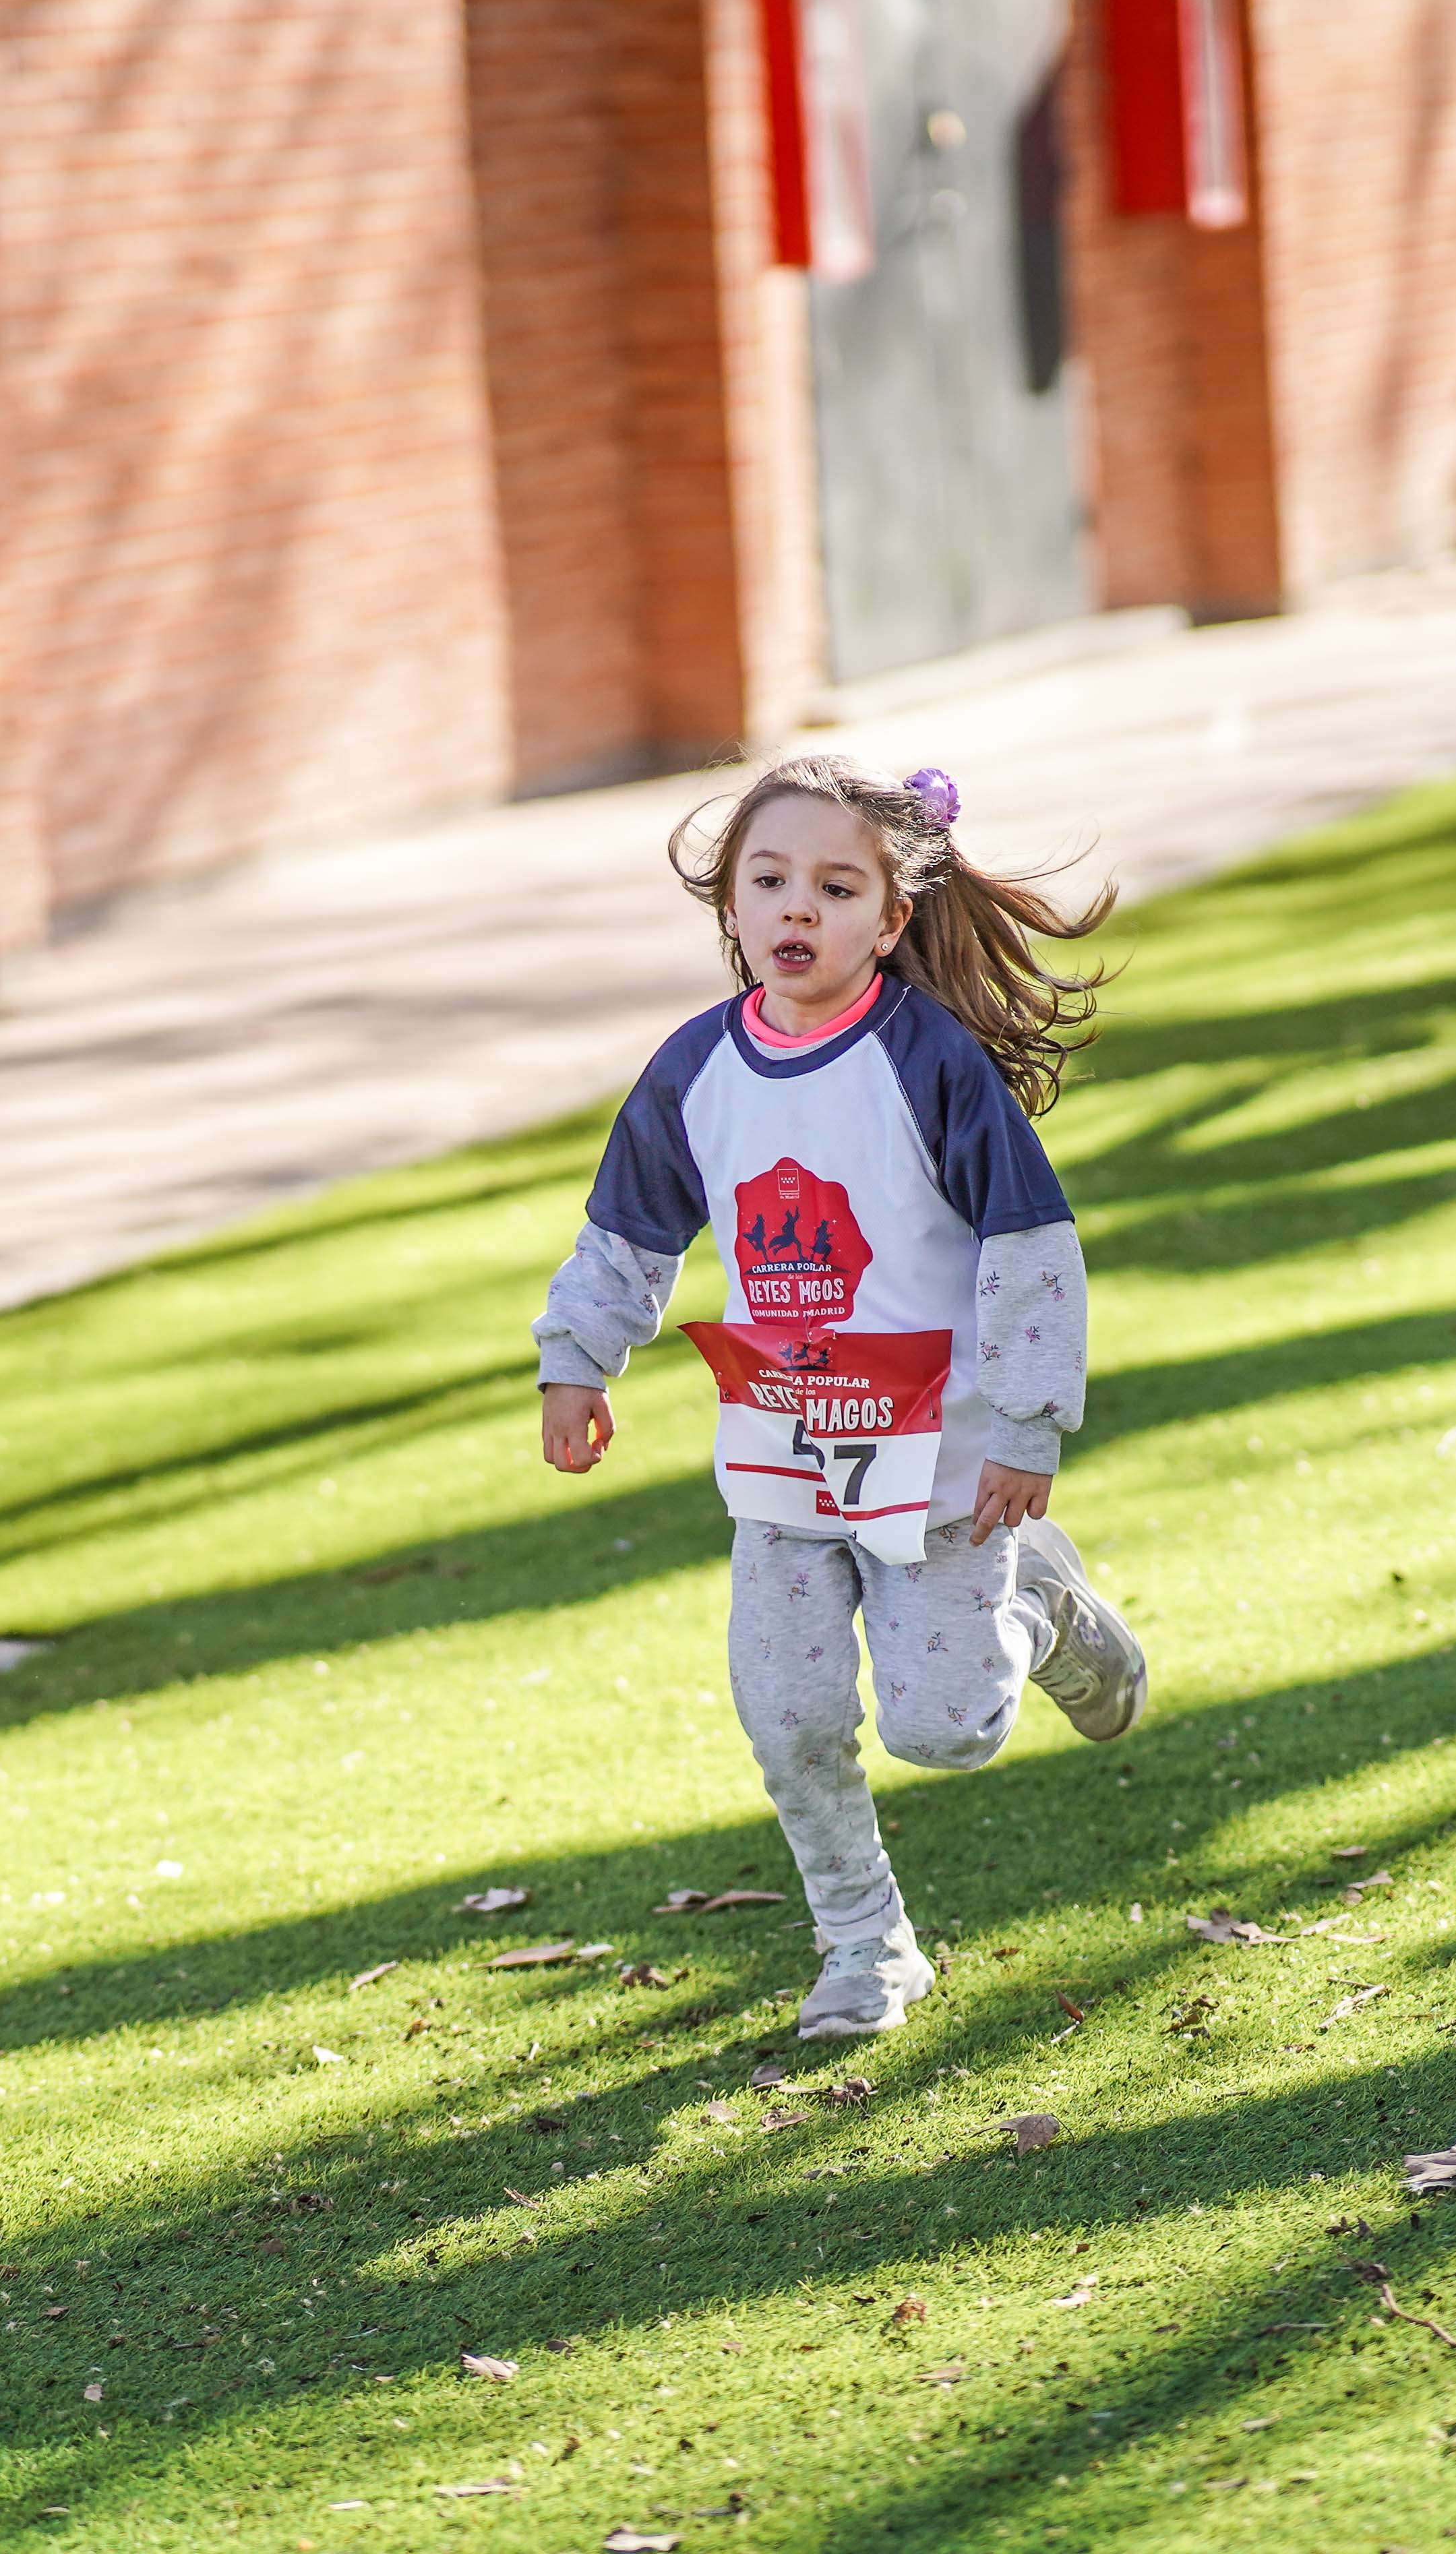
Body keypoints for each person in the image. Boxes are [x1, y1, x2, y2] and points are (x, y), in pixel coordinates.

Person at [530, 756, 1142, 2042]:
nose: (795, 908)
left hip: (946, 1460)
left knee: (947, 1731)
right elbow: (629, 1235)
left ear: (889, 919)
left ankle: (1041, 1598)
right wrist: (578, 1359)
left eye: (834, 884)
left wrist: (1029, 1426)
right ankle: (866, 1950)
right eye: (769, 881)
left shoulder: (930, 1064)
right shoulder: (695, 1069)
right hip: (786, 1458)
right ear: (734, 908)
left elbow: (1029, 1246)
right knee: (790, 1713)